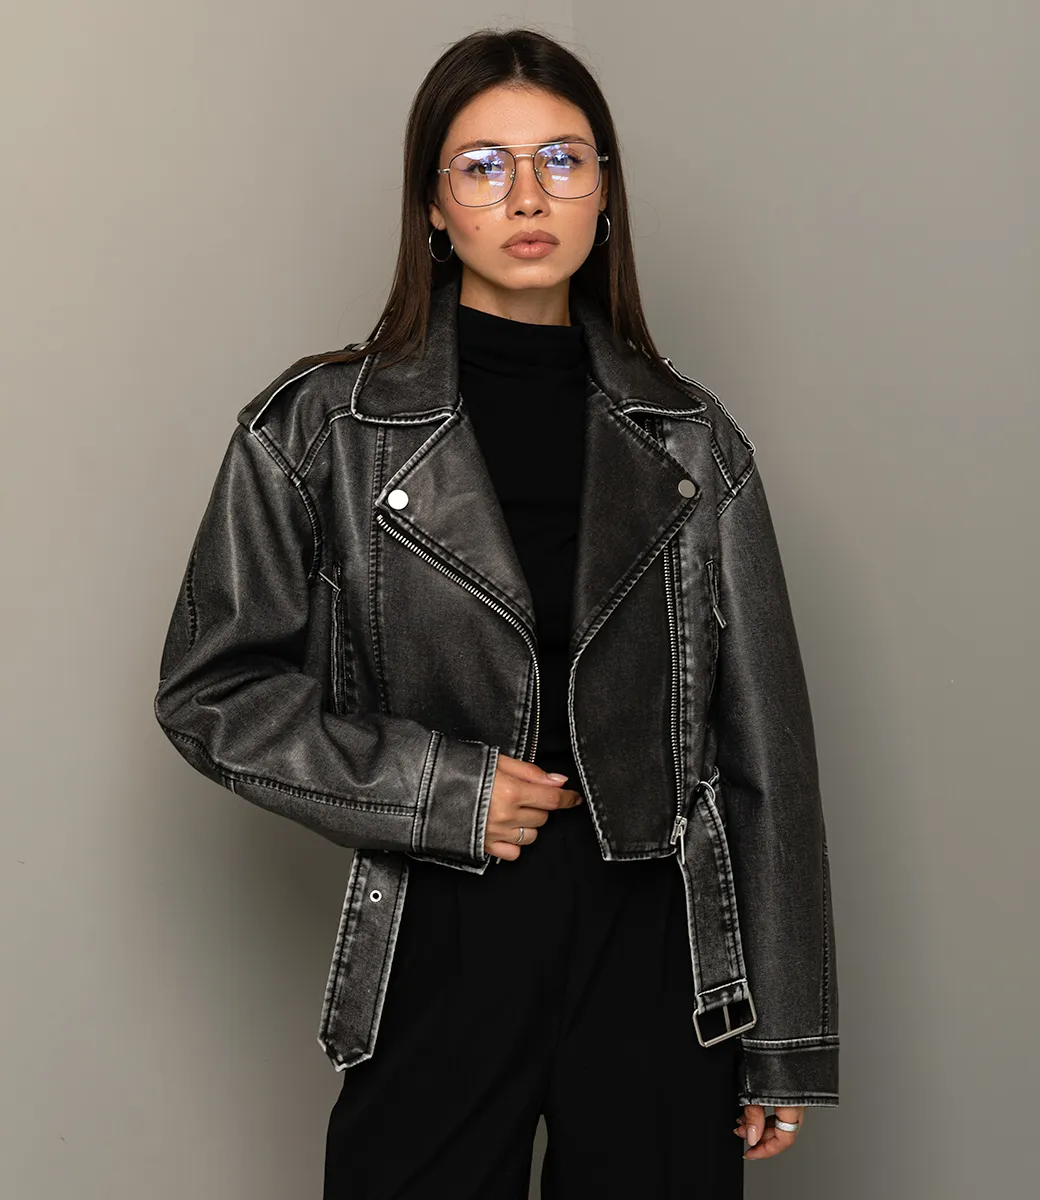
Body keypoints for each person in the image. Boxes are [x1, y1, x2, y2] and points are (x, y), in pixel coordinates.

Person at [153, 26, 839, 1200]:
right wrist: (437, 790)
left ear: (604, 192)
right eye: (482, 166)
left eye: (562, 159)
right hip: (441, 929)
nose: (527, 195)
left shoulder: (691, 441)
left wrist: (785, 1033)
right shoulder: (318, 429)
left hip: (656, 946)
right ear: (433, 204)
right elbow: (212, 689)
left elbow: (762, 751)